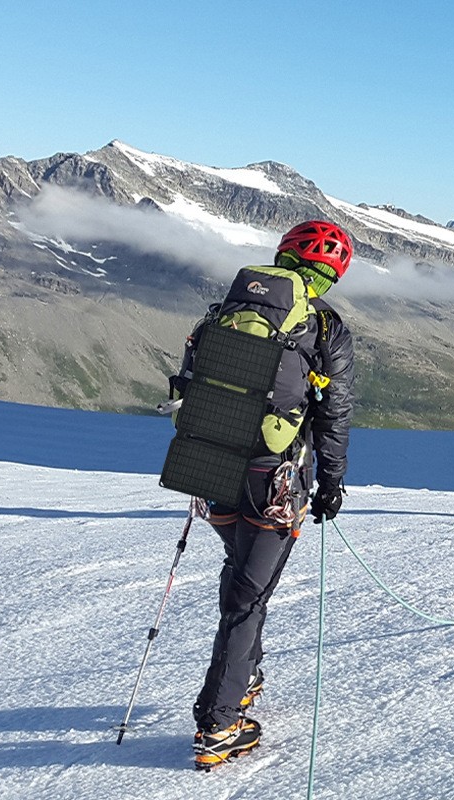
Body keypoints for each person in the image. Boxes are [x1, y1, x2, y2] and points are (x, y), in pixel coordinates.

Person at [187, 220, 356, 770]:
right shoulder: (324, 326)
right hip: (273, 477)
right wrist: (331, 484)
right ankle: (218, 724)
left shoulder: (225, 311)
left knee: (240, 572)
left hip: (212, 463)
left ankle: (247, 673)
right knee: (247, 597)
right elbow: (334, 415)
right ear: (334, 271)